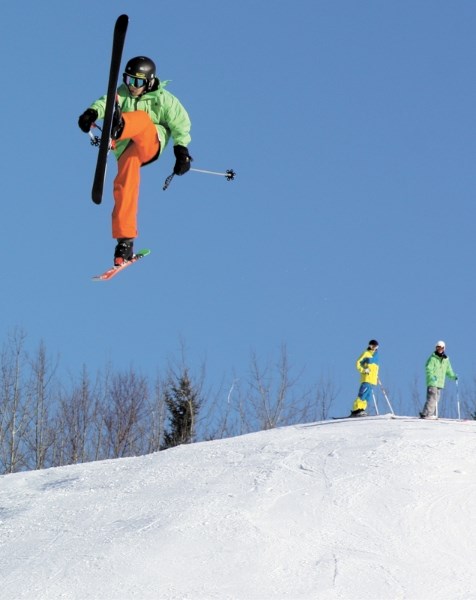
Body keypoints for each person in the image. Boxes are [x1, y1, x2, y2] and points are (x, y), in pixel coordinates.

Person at [78, 56, 192, 265]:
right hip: (127, 149)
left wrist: (181, 151)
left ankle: (119, 126)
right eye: (129, 80)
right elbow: (104, 103)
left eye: (138, 82)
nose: (132, 87)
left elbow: (181, 124)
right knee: (124, 185)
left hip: (150, 143)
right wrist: (91, 113)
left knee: (141, 119)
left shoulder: (164, 99)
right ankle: (125, 240)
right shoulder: (122, 93)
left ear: (149, 82)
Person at [419, 340, 458, 419]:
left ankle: (430, 414)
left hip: (440, 383)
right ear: (436, 348)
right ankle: (426, 413)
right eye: (438, 347)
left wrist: (453, 376)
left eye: (441, 348)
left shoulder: (445, 360)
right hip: (433, 382)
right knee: (432, 397)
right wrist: (432, 377)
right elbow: (428, 368)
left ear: (444, 348)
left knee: (436, 399)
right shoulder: (433, 358)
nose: (439, 349)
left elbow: (448, 370)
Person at [350, 340, 379, 417]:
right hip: (366, 378)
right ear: (369, 346)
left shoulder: (376, 356)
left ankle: (362, 409)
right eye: (371, 346)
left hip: (372, 380)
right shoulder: (366, 354)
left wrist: (376, 377)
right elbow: (358, 363)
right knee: (362, 394)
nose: (373, 348)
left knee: (367, 397)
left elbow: (375, 368)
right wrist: (363, 370)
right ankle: (356, 409)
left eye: (375, 346)